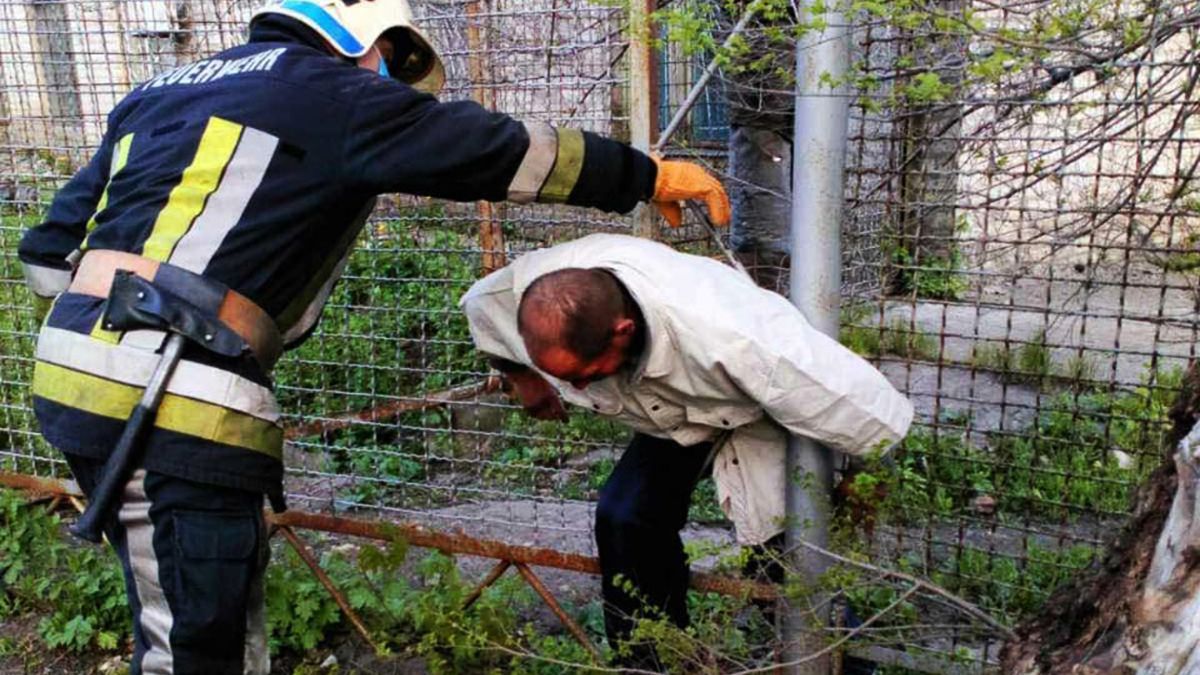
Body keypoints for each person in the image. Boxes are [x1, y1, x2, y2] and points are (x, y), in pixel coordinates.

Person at [16, 0, 729, 672]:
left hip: (73, 372)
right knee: (200, 645)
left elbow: (47, 254)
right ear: (361, 37)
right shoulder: (332, 91)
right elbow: (501, 152)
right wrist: (646, 173)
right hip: (178, 391)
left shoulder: (160, 91)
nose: (392, 80)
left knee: (173, 605)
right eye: (390, 59)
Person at [459, 232, 913, 668]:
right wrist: (525, 378)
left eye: (584, 373)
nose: (575, 388)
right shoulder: (521, 294)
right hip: (676, 412)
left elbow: (863, 405)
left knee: (775, 550)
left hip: (750, 412)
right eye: (562, 375)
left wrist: (864, 475)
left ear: (622, 331)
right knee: (624, 518)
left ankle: (843, 663)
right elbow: (479, 306)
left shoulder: (742, 340)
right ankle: (654, 659)